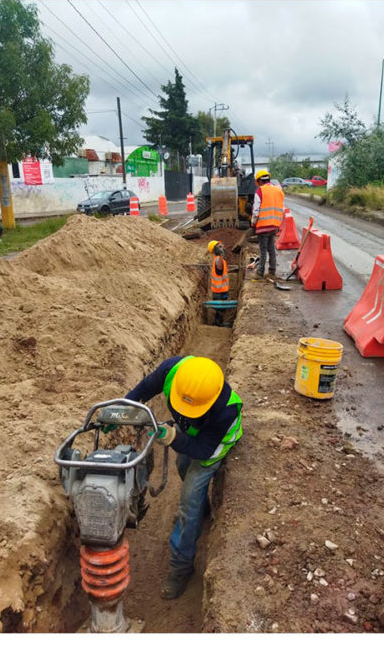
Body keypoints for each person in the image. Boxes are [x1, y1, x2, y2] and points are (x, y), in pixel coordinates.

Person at [125, 355, 243, 599]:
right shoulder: (172, 370)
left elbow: (202, 450)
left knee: (188, 502)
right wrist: (117, 413)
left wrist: (173, 438)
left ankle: (181, 567)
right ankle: (204, 509)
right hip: (190, 427)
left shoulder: (225, 411)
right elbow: (143, 390)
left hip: (215, 445)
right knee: (181, 463)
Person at [251, 169, 285, 279]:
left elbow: (256, 210)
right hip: (274, 225)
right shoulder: (278, 190)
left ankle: (260, 273)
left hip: (263, 226)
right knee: (271, 249)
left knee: (263, 250)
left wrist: (253, 223)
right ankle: (272, 271)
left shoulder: (260, 191)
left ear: (260, 181)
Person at [208, 240, 229, 325]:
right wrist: (221, 255)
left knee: (221, 310)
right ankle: (217, 325)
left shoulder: (220, 259)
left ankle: (219, 323)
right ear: (215, 250)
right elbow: (219, 268)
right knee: (220, 310)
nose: (222, 247)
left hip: (222, 290)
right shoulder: (218, 260)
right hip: (218, 292)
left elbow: (222, 272)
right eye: (219, 246)